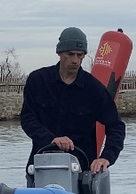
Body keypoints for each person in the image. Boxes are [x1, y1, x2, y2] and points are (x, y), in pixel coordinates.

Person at [20, 27, 125, 178]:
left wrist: (106, 157)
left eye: (80, 55)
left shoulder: (94, 89)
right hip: (40, 167)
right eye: (70, 54)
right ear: (59, 53)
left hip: (83, 172)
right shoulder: (37, 81)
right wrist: (51, 139)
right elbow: (28, 119)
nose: (75, 60)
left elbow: (116, 126)